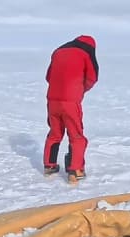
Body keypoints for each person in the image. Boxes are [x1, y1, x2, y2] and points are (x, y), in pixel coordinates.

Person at [43, 35, 98, 184]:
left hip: (52, 99)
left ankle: (49, 166)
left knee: (55, 133)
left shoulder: (58, 51)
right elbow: (92, 78)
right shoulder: (87, 52)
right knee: (76, 135)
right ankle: (75, 170)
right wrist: (79, 91)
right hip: (70, 102)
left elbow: (49, 76)